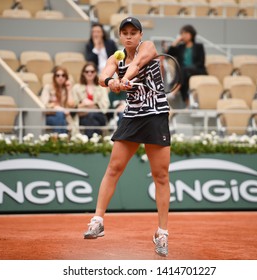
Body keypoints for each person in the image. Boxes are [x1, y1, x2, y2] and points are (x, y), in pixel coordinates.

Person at [83, 17, 171, 257]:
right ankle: (97, 221)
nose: (129, 36)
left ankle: (162, 233)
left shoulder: (148, 47)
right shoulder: (116, 57)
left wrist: (125, 79)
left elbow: (138, 64)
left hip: (155, 115)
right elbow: (102, 77)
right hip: (132, 117)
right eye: (125, 32)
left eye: (134, 32)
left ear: (140, 34)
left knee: (161, 175)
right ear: (120, 36)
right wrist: (112, 82)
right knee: (114, 168)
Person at [167, 24, 207, 107]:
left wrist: (189, 69)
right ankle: (188, 103)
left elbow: (201, 62)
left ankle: (174, 91)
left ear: (191, 34)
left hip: (197, 70)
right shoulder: (180, 47)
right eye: (182, 34)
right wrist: (177, 41)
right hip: (184, 73)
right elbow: (169, 54)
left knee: (184, 71)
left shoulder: (199, 47)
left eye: (185, 33)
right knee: (185, 75)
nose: (183, 36)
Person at [72, 62, 110, 138]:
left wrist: (87, 104)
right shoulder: (76, 88)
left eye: (92, 71)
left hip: (99, 116)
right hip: (83, 117)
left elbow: (105, 105)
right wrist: (91, 105)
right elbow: (74, 106)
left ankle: (89, 142)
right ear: (83, 73)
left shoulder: (101, 88)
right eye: (87, 72)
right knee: (90, 119)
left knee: (91, 116)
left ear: (95, 73)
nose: (89, 74)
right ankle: (95, 141)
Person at [40, 66, 76, 134]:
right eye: (58, 75)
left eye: (63, 75)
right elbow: (44, 104)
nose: (60, 77)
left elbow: (71, 105)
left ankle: (59, 140)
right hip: (50, 116)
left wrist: (69, 90)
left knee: (61, 118)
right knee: (60, 116)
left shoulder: (67, 89)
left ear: (66, 77)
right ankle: (62, 139)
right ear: (54, 77)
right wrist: (58, 108)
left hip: (64, 117)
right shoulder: (48, 87)